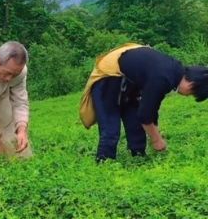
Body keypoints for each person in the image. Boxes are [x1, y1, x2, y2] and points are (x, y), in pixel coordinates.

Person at [80, 43, 208, 161]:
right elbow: (145, 116)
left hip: (129, 81)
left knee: (134, 120)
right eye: (192, 94)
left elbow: (151, 107)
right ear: (192, 84)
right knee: (111, 127)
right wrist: (157, 140)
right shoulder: (163, 77)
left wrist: (155, 131)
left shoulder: (173, 72)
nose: (187, 96)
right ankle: (104, 162)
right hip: (109, 77)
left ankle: (139, 157)